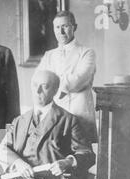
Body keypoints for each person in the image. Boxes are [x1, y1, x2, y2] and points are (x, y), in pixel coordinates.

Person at [36, 10, 97, 143]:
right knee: (55, 154)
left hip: (78, 111)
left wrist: (51, 86)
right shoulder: (49, 55)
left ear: (74, 27)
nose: (61, 32)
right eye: (57, 27)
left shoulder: (87, 53)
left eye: (65, 26)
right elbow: (38, 80)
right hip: (55, 113)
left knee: (81, 156)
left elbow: (77, 81)